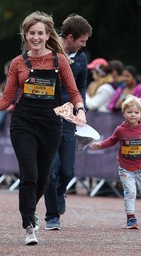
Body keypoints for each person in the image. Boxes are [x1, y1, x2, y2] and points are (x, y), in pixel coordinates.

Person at [0, 11, 87, 245]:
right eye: (32, 33)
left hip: (51, 124)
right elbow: (8, 97)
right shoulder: (19, 63)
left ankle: (32, 209)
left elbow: (73, 91)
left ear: (48, 35)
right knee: (29, 175)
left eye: (40, 33)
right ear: (25, 35)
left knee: (44, 178)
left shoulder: (60, 60)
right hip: (23, 123)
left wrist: (80, 109)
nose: (36, 38)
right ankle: (29, 224)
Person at [43, 14, 92, 231]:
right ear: (70, 37)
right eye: (82, 40)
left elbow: (81, 86)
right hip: (46, 117)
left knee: (67, 172)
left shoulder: (81, 58)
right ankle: (52, 216)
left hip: (69, 117)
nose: (84, 44)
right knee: (51, 171)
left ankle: (60, 193)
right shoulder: (48, 52)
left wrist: (81, 107)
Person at [91, 95, 141, 229]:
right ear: (123, 113)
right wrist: (100, 145)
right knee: (130, 192)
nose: (133, 115)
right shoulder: (120, 130)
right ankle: (131, 218)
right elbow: (111, 140)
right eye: (129, 112)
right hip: (125, 168)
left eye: (136, 112)